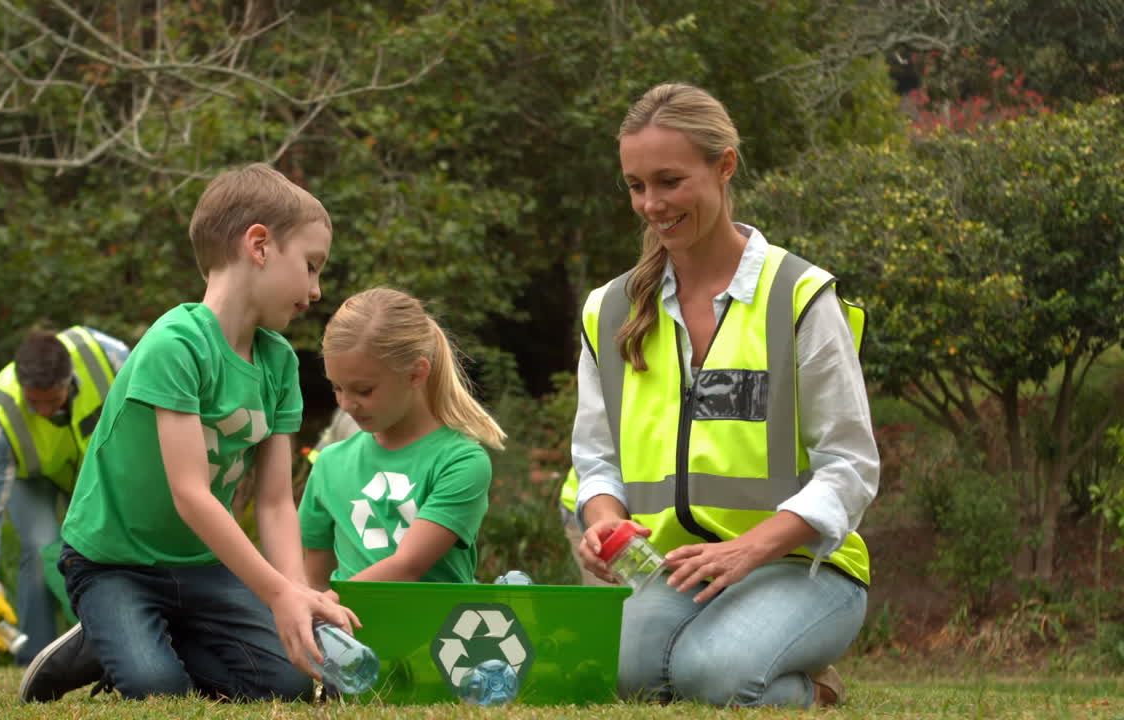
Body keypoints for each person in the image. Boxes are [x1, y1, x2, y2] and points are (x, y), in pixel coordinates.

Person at [573, 83, 879, 709]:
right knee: (612, 673)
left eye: (670, 181)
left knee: (712, 676)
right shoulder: (608, 312)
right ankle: (741, 664)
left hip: (802, 569)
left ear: (724, 165)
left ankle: (808, 685)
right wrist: (603, 521)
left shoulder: (800, 297)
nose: (652, 204)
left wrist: (750, 548)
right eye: (636, 186)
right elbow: (596, 458)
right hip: (676, 570)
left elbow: (851, 465)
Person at [19, 163, 358, 703]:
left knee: (288, 683)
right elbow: (191, 495)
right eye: (312, 266)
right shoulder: (175, 344)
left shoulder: (280, 364)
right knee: (159, 689)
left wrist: (296, 594)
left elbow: (273, 503)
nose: (317, 291)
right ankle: (100, 640)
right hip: (113, 563)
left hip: (199, 563)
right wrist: (278, 595)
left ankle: (150, 632)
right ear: (259, 245)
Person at [299, 288, 504, 589]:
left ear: (416, 373)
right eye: (337, 388)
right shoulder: (329, 463)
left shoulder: (461, 462)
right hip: (347, 634)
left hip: (438, 634)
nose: (345, 405)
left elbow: (407, 566)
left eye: (364, 390)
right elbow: (313, 579)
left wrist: (330, 606)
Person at [0, 326, 129, 664]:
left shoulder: (107, 356)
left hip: (96, 466)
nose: (42, 411)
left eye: (52, 401)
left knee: (112, 545)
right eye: (33, 402)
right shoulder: (3, 414)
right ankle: (34, 660)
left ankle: (111, 648)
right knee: (40, 548)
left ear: (68, 381)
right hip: (33, 476)